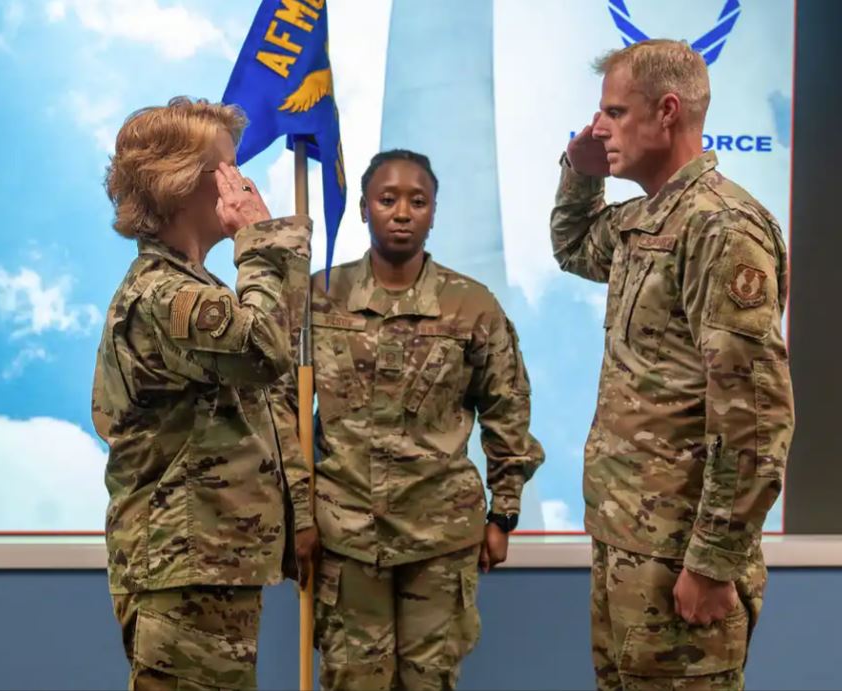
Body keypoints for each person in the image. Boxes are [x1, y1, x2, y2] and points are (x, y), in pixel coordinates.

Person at [550, 40, 795, 690]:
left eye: (614, 111)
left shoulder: (721, 229)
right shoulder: (648, 220)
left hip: (682, 555)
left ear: (666, 111)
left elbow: (754, 417)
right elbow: (574, 246)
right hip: (630, 542)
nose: (599, 127)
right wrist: (580, 173)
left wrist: (714, 562)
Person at [289, 149, 545, 690]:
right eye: (387, 200)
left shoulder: (471, 306)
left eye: (417, 201)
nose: (402, 212)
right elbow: (284, 413)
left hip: (439, 536)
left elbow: (508, 409)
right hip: (345, 536)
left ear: (434, 212)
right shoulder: (317, 298)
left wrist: (504, 515)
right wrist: (297, 517)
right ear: (363, 209)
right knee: (354, 681)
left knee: (431, 682)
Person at [91, 96, 310, 690]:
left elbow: (266, 389)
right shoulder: (164, 295)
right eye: (227, 168)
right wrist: (263, 241)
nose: (241, 181)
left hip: (210, 560)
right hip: (183, 566)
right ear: (181, 182)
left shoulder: (197, 287)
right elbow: (263, 348)